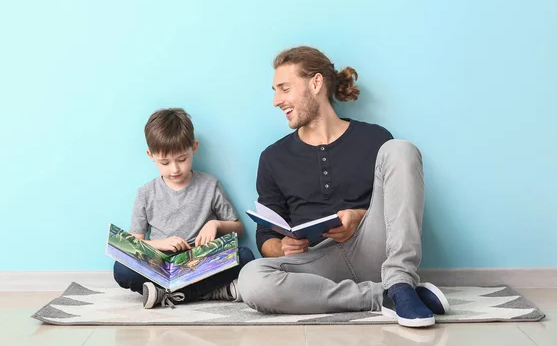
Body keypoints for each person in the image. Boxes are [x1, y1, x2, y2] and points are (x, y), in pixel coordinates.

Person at [238, 46, 450, 327]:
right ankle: (384, 296)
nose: (277, 100)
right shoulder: (273, 157)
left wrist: (357, 217)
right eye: (276, 90)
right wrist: (282, 247)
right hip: (316, 266)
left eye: (284, 88)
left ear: (315, 83)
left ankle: (400, 280)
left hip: (374, 250)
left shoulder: (374, 138)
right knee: (251, 280)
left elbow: (394, 208)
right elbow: (265, 234)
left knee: (400, 149)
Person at [113, 108, 255, 309]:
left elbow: (239, 229)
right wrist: (162, 244)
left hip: (200, 261)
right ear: (150, 155)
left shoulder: (209, 185)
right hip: (162, 263)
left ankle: (166, 295)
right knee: (121, 269)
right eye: (165, 162)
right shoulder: (145, 193)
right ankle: (208, 292)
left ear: (193, 148)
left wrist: (215, 225)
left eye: (182, 159)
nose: (174, 169)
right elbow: (135, 242)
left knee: (246, 256)